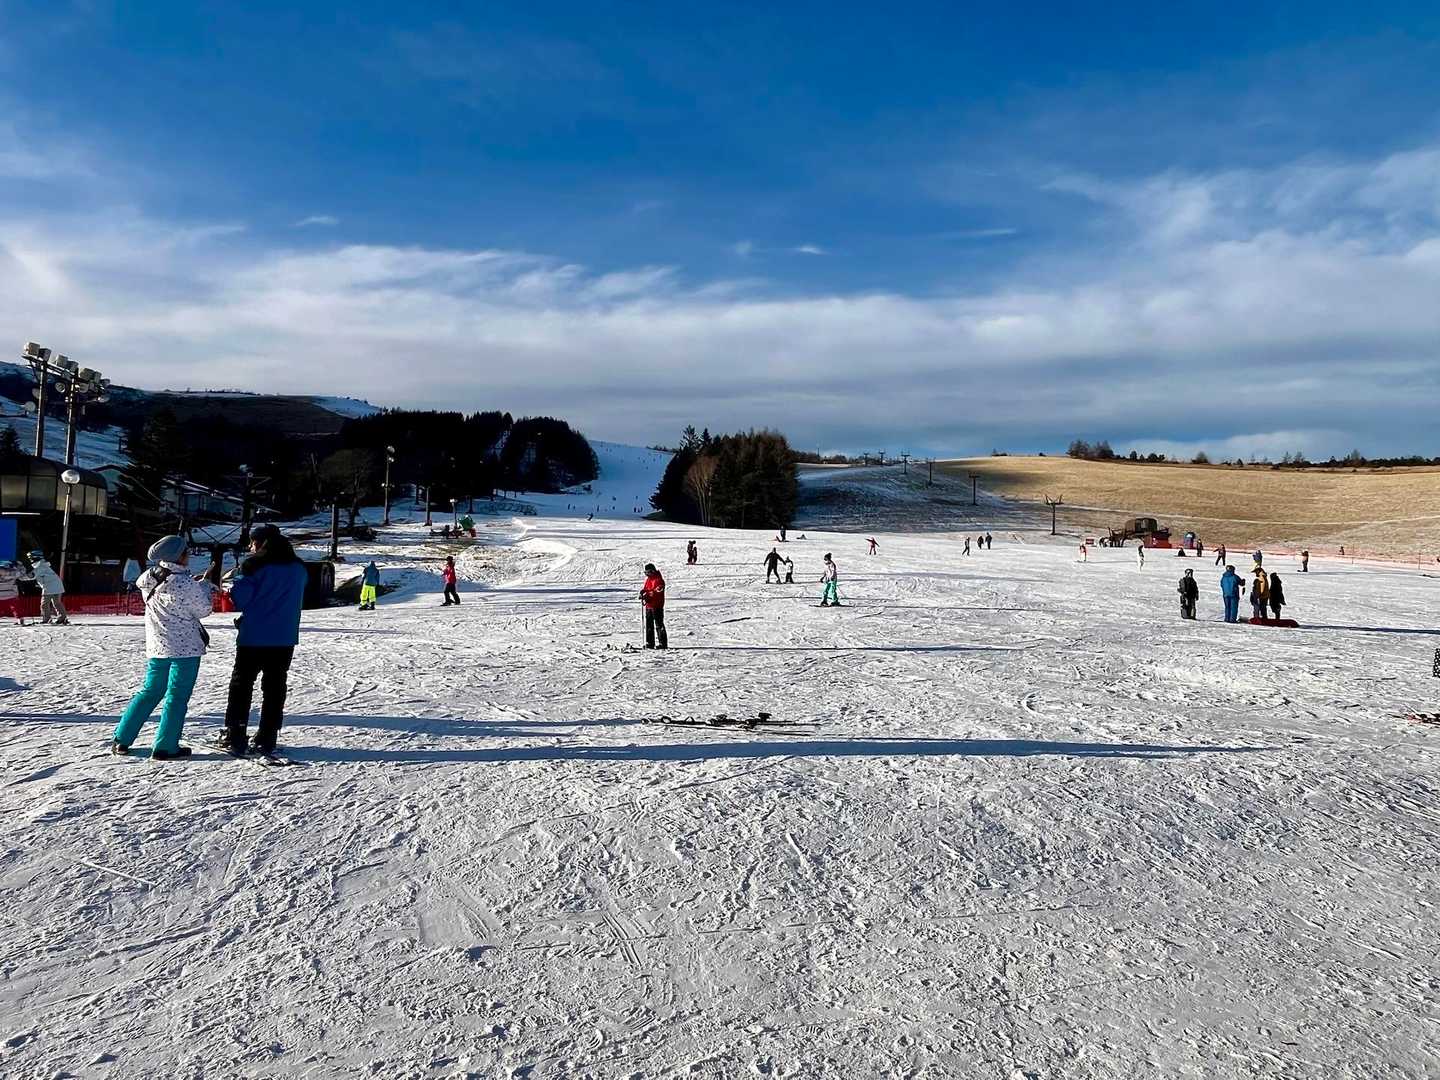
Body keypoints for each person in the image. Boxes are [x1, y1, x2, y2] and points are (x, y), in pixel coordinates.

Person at [111, 535, 216, 760]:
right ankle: (165, 746)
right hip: (186, 649)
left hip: (158, 645)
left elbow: (171, 598)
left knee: (150, 691)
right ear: (178, 556)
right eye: (186, 552)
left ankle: (122, 739)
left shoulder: (150, 577)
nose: (189, 555)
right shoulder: (185, 584)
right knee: (176, 696)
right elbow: (204, 610)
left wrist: (196, 586)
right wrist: (205, 587)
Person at [219, 524, 309, 757]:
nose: (250, 547)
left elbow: (241, 600)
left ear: (260, 543)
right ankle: (268, 736)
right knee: (275, 686)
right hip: (285, 637)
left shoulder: (253, 565)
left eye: (252, 542)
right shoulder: (298, 567)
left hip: (254, 636)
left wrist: (237, 582)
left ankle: (235, 733)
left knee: (242, 684)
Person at [26, 552, 69, 625]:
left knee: (44, 604)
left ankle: (47, 619)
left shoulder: (40, 566)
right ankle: (62, 618)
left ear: (36, 558)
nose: (30, 560)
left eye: (31, 558)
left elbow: (32, 575)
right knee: (57, 603)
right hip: (57, 585)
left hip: (49, 587)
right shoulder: (43, 565)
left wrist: (21, 576)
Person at [640, 563, 667, 649]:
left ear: (652, 571)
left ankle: (663, 643)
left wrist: (648, 595)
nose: (647, 574)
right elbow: (646, 589)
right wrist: (643, 593)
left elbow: (657, 591)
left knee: (659, 624)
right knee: (649, 625)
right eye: (645, 573)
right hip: (649, 605)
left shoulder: (659, 580)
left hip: (657, 605)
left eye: (648, 572)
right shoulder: (648, 580)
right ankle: (650, 642)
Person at [0, 559, 27, 625]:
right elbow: (22, 573)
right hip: (11, 594)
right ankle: (20, 619)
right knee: (16, 608)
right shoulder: (14, 573)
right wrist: (20, 565)